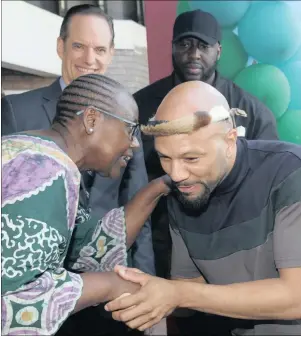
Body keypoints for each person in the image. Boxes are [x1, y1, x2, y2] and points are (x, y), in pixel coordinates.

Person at [105, 81, 301, 336]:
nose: (176, 174)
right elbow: (189, 292)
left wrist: (178, 294)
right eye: (165, 157)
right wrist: (146, 293)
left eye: (191, 158)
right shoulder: (186, 191)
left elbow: (296, 296)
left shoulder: (289, 173)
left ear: (230, 140)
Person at [1, 74, 171, 336]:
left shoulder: (38, 155)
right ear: (91, 120)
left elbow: (93, 244)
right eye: (130, 129)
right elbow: (13, 301)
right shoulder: (43, 172)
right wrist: (109, 285)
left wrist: (162, 186)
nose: (134, 143)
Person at [1, 3, 154, 277]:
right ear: (61, 47)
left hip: (108, 280)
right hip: (30, 282)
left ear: (111, 54)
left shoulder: (127, 121)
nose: (89, 59)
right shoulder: (16, 111)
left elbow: (136, 211)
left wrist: (142, 282)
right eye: (79, 46)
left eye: (99, 50)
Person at [133, 9, 279, 280]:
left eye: (203, 46)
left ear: (219, 51)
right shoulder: (141, 106)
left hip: (234, 239)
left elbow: (267, 181)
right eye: (184, 44)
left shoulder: (250, 110)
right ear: (172, 48)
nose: (193, 54)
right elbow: (129, 176)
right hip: (163, 238)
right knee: (179, 313)